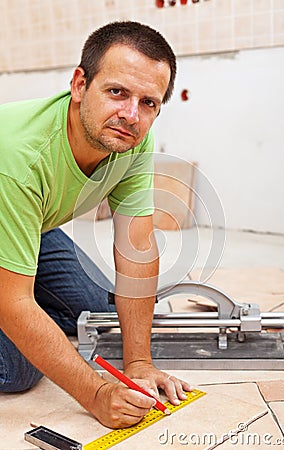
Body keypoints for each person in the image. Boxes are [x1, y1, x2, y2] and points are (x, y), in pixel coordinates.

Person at [0, 21, 192, 429]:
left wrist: (139, 362)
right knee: (18, 367)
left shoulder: (133, 140)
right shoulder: (17, 157)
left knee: (94, 310)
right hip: (7, 191)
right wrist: (97, 393)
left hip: (30, 223)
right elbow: (13, 305)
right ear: (79, 85)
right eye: (117, 92)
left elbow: (136, 245)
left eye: (148, 103)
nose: (130, 115)